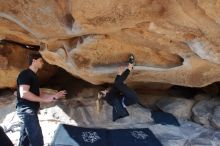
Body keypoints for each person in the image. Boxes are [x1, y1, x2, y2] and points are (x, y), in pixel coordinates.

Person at [16, 52, 67, 146]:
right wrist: (44, 100)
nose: (42, 63)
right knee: (37, 138)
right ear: (34, 61)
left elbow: (40, 94)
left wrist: (54, 96)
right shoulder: (25, 74)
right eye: (40, 61)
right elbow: (24, 93)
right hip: (26, 110)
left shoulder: (34, 76)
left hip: (30, 110)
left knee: (25, 139)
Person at [97, 54, 139, 121]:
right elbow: (116, 85)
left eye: (102, 90)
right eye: (103, 92)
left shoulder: (111, 95)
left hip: (129, 96)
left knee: (117, 83)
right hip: (131, 98)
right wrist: (119, 73)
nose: (104, 90)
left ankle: (130, 67)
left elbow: (116, 85)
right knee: (118, 83)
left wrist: (119, 74)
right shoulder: (109, 99)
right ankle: (130, 67)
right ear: (104, 96)